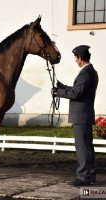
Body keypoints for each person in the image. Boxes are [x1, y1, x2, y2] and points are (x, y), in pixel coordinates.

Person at [52, 45, 98, 186]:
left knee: (82, 148)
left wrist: (57, 92)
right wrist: (63, 87)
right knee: (87, 147)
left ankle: (84, 177)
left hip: (81, 116)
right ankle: (89, 175)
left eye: (75, 58)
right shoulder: (90, 71)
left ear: (80, 58)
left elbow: (76, 94)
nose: (75, 60)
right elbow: (78, 90)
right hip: (84, 115)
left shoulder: (85, 73)